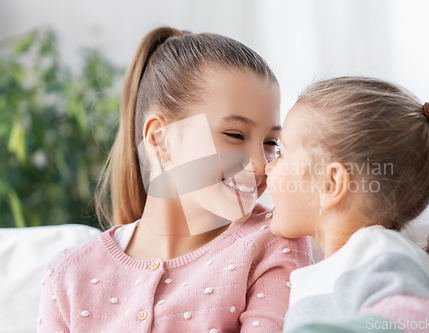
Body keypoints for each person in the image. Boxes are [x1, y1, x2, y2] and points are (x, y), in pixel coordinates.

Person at [36, 26, 312, 333]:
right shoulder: (69, 274)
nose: (262, 164)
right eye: (235, 134)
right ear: (160, 140)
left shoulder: (274, 242)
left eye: (271, 143)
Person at [265, 76, 429, 332]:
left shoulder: (379, 255)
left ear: (331, 184)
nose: (268, 166)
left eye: (281, 154)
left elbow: (412, 321)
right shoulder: (346, 264)